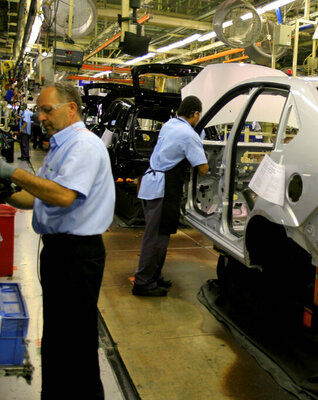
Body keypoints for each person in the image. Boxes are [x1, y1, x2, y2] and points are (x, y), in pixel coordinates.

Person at [0, 82, 115, 399]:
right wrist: (8, 193)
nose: (40, 117)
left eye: (47, 110)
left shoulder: (84, 147)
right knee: (57, 341)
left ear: (71, 108)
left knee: (75, 344)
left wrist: (13, 172)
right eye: (39, 110)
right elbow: (39, 198)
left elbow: (63, 196)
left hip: (77, 255)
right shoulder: (61, 148)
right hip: (59, 253)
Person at [133, 95, 208, 296]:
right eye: (198, 116)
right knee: (155, 238)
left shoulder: (169, 125)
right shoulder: (189, 135)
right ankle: (143, 283)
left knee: (160, 236)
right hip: (162, 190)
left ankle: (154, 277)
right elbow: (203, 168)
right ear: (195, 114)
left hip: (150, 185)